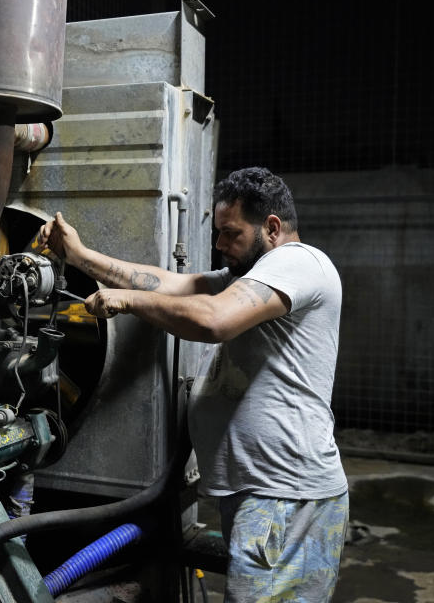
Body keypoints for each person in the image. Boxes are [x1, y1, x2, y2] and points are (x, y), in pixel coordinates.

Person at [38, 167, 348, 602]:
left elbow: (213, 319)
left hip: (286, 493)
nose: (219, 245)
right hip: (266, 490)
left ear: (272, 228)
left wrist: (128, 301)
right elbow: (170, 283)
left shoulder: (298, 262)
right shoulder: (253, 275)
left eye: (230, 233)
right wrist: (80, 256)